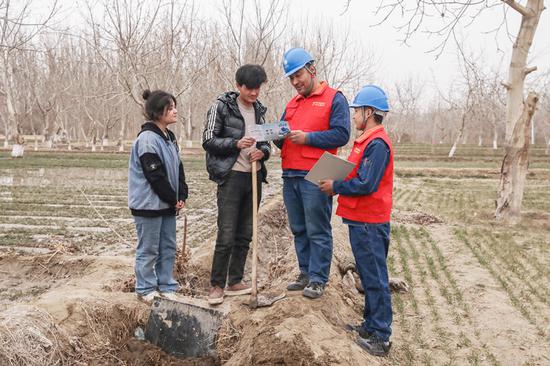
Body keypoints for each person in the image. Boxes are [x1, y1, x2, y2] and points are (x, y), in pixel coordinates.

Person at [319, 85, 393, 357]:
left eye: (357, 111)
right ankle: (370, 326)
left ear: (369, 112)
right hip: (359, 219)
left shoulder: (377, 144)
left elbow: (366, 183)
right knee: (368, 273)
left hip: (369, 222)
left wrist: (336, 186)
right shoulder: (366, 141)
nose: (354, 116)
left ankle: (381, 337)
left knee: (375, 278)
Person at [275, 47, 350, 299]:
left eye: (298, 76)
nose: (295, 82)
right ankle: (305, 272)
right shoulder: (292, 103)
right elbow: (282, 135)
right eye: (291, 78)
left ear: (312, 69)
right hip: (290, 173)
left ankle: (319, 278)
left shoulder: (334, 98)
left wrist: (308, 138)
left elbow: (341, 134)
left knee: (317, 227)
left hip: (319, 171)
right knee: (298, 227)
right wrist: (270, 136)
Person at [202, 64, 271, 305]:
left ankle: (235, 279)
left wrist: (262, 153)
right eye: (249, 88)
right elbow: (209, 140)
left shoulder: (260, 110)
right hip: (231, 176)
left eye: (257, 88)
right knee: (227, 233)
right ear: (238, 86)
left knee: (246, 232)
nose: (254, 93)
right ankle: (217, 285)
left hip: (254, 175)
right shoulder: (221, 106)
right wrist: (236, 143)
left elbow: (266, 143)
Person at [128, 89, 188, 304]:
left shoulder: (169, 138)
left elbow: (178, 168)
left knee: (168, 246)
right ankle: (145, 288)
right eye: (170, 108)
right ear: (157, 112)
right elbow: (155, 176)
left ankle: (166, 284)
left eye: (174, 106)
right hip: (149, 205)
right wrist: (173, 198)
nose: (175, 111)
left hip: (168, 203)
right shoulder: (147, 140)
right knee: (149, 248)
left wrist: (181, 194)